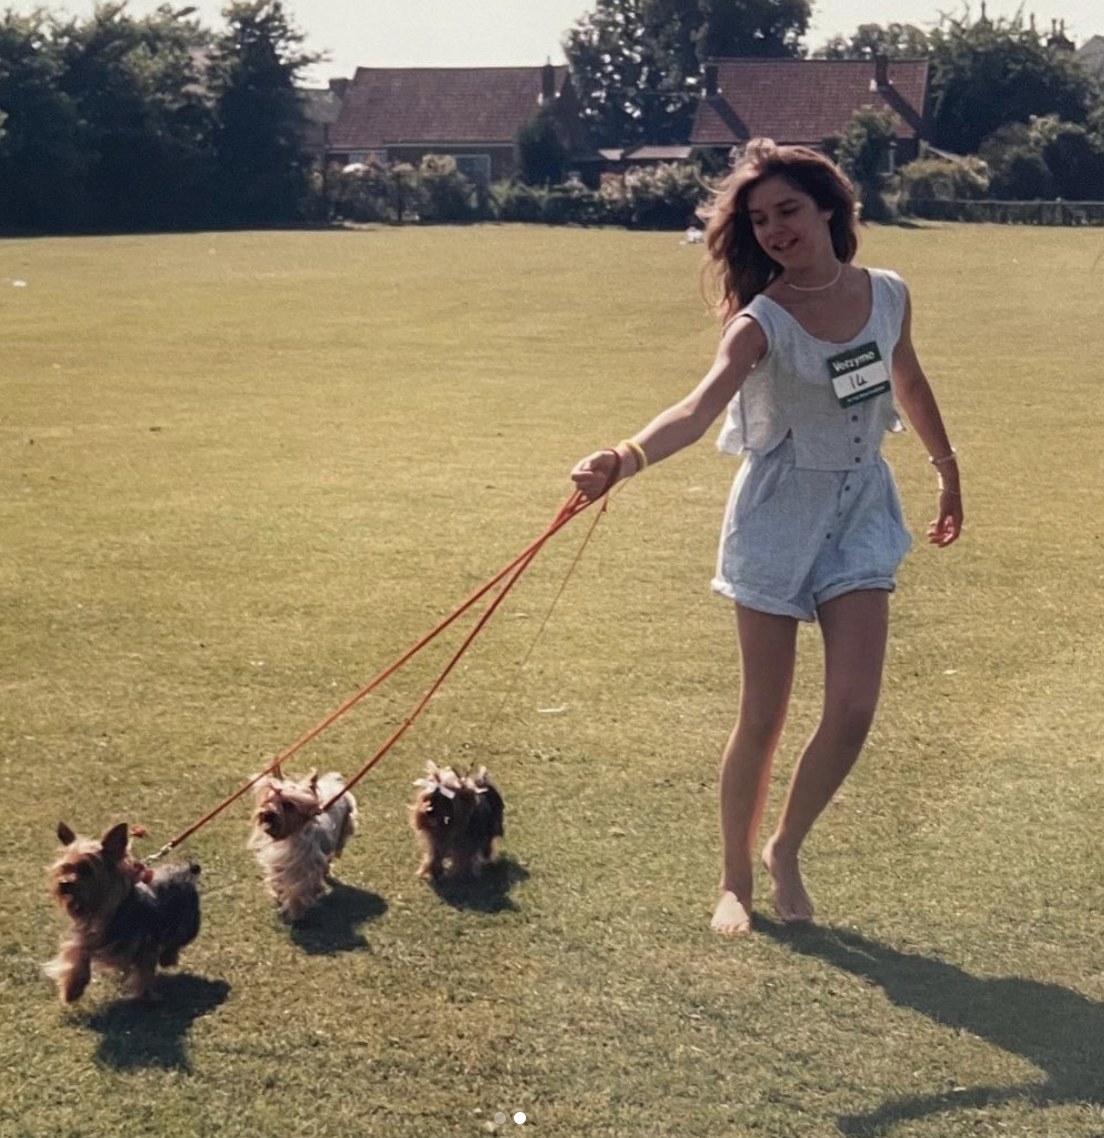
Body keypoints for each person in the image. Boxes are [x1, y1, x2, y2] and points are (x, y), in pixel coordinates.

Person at [570, 139, 963, 936]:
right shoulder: (761, 321)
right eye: (759, 220)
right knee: (765, 715)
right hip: (778, 514)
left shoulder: (888, 292)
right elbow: (698, 407)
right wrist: (625, 456)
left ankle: (786, 847)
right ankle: (735, 875)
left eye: (788, 210)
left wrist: (947, 470)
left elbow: (908, 378)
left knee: (853, 709)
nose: (776, 229)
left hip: (859, 508)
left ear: (828, 207)